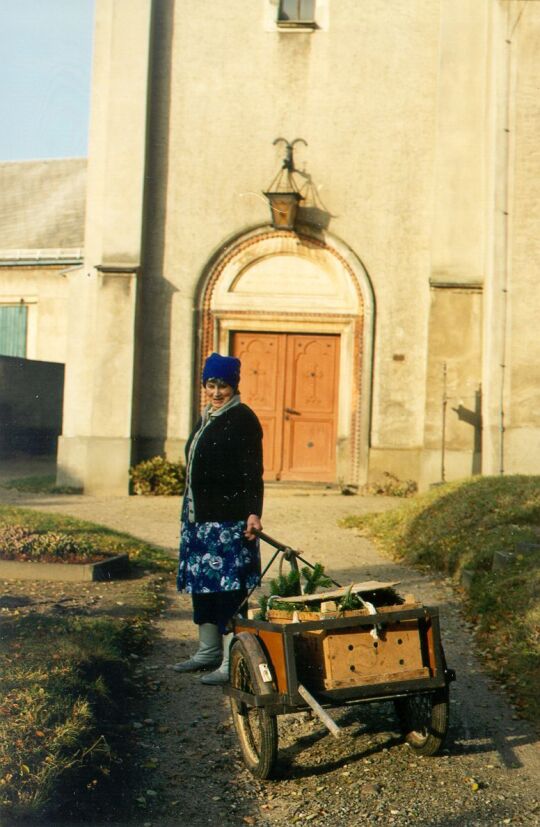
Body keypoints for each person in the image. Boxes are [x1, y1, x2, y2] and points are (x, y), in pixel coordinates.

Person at [172, 352, 264, 685]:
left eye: (222, 385)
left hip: (228, 524)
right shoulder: (208, 416)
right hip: (200, 521)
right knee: (203, 585)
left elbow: (253, 472)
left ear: (234, 386)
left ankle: (230, 659)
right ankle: (208, 651)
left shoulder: (241, 418)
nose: (215, 391)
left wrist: (253, 512)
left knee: (229, 589)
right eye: (210, 384)